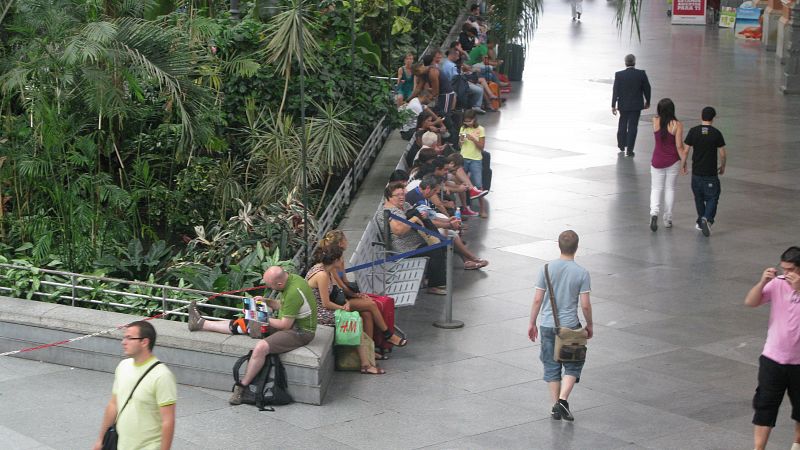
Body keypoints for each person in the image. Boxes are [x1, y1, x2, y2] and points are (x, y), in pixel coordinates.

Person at [187, 266, 316, 405]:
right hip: (291, 324)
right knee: (247, 323)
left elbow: (285, 325)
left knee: (261, 347)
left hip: (301, 332)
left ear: (279, 283)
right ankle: (200, 323)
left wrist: (261, 317)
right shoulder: (292, 279)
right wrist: (266, 301)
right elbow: (282, 305)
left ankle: (241, 388)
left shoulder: (293, 292)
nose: (268, 287)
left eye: (270, 285)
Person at [306, 246, 406, 374]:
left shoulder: (325, 269)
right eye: (341, 258)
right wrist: (342, 308)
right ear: (335, 260)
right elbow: (325, 304)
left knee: (365, 313)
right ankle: (366, 365)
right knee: (355, 320)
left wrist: (347, 301)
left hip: (324, 308)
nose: (343, 260)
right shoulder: (322, 275)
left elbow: (336, 292)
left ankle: (369, 353)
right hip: (320, 314)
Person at [527, 230, 593, 422]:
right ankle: (562, 401)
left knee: (551, 365)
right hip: (571, 326)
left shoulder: (546, 269)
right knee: (574, 363)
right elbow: (585, 305)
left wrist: (532, 322)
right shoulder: (582, 273)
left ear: (558, 245)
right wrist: (589, 324)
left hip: (548, 325)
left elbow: (537, 299)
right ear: (577, 247)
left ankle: (555, 407)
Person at [744, 246, 800, 450]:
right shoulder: (778, 284)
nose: (786, 273)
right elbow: (750, 302)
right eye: (784, 268)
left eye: (791, 269)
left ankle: (797, 444)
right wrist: (762, 283)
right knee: (765, 405)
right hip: (773, 359)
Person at [93, 321, 177, 450]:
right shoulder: (123, 366)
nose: (123, 342)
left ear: (144, 342)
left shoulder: (162, 376)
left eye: (129, 338)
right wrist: (100, 441)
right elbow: (113, 405)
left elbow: (168, 421)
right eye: (124, 337)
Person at [375, 181, 448, 295]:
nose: (401, 197)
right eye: (397, 195)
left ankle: (431, 279)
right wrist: (414, 219)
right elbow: (398, 231)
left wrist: (421, 216)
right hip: (404, 250)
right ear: (389, 197)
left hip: (416, 243)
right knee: (435, 249)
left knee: (442, 244)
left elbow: (415, 214)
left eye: (402, 194)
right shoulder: (386, 212)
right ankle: (434, 285)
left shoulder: (404, 205)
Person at [683, 106, 727, 237]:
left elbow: (686, 150)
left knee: (699, 198)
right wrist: (723, 166)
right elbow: (722, 153)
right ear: (713, 118)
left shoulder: (693, 131)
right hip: (710, 173)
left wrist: (683, 164)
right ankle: (706, 219)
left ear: (701, 116)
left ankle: (700, 220)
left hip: (696, 173)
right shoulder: (716, 133)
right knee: (713, 197)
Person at [649, 98, 687, 232]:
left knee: (656, 188)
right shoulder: (677, 125)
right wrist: (684, 162)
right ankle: (668, 218)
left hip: (657, 160)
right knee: (670, 188)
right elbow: (679, 146)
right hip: (673, 161)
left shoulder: (655, 121)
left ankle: (654, 213)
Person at [612, 54, 651, 157]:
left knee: (622, 124)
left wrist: (613, 105)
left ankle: (621, 145)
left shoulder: (619, 75)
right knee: (633, 126)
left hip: (623, 105)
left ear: (625, 62)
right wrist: (648, 101)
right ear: (634, 62)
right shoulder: (641, 74)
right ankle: (630, 149)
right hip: (636, 105)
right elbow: (647, 88)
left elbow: (615, 91)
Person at [459, 109, 489, 218]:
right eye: (465, 121)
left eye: (469, 121)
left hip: (475, 159)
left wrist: (473, 139)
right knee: (462, 183)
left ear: (474, 119)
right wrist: (461, 141)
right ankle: (465, 207)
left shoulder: (480, 129)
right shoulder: (463, 128)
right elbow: (460, 145)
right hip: (463, 157)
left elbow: (481, 147)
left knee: (478, 185)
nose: (467, 123)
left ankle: (482, 209)